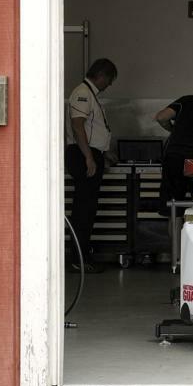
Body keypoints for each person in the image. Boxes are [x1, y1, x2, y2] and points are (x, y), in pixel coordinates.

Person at [65, 58, 118, 274]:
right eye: (110, 80)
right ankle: (78, 258)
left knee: (87, 208)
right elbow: (78, 127)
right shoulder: (83, 92)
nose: (109, 85)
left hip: (90, 153)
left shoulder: (90, 94)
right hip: (82, 154)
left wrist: (103, 154)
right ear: (102, 75)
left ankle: (82, 256)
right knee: (83, 210)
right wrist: (89, 157)